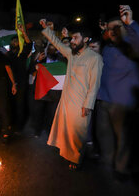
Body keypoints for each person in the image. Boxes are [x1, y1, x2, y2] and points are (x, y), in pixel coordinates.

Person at [40, 18, 103, 170]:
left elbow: (95, 85)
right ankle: (67, 153)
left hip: (81, 103)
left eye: (76, 38)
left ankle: (76, 159)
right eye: (72, 38)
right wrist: (46, 29)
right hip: (66, 99)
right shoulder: (72, 54)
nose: (72, 41)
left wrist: (88, 105)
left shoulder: (95, 58)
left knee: (77, 133)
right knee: (66, 129)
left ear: (86, 39)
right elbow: (57, 43)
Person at [96, 5, 139, 181]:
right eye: (109, 28)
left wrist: (130, 23)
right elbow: (106, 37)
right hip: (103, 99)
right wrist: (106, 31)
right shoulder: (107, 48)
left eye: (117, 27)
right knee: (103, 133)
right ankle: (107, 161)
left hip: (121, 102)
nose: (113, 31)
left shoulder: (132, 47)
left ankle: (121, 168)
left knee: (123, 138)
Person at [6, 25, 32, 131]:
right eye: (13, 42)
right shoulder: (7, 55)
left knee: (20, 105)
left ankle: (19, 126)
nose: (14, 43)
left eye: (16, 41)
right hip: (9, 83)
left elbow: (29, 45)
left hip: (21, 83)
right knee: (10, 104)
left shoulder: (22, 54)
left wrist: (23, 33)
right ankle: (11, 124)